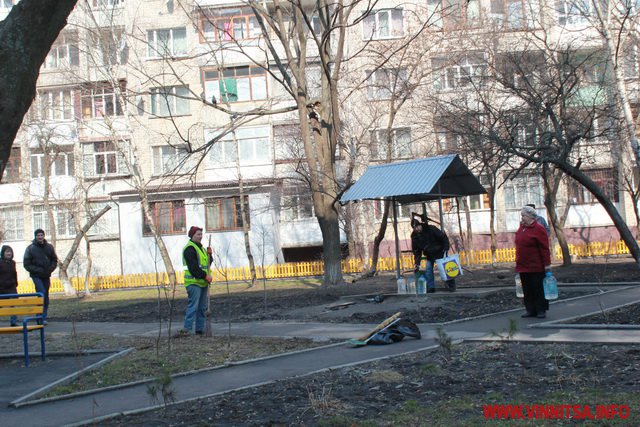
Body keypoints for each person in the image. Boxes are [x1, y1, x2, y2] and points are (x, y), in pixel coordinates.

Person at [515, 205, 552, 319]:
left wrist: (547, 265)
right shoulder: (521, 228)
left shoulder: (539, 229)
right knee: (527, 289)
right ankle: (530, 310)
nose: (522, 218)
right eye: (521, 216)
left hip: (536, 266)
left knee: (538, 288)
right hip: (523, 266)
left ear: (531, 216)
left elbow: (544, 248)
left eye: (524, 216)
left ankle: (541, 310)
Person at [180, 226, 213, 336]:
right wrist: (205, 276)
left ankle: (199, 329)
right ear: (192, 235)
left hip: (203, 282)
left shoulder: (201, 248)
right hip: (193, 282)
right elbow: (193, 268)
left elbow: (207, 264)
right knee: (193, 306)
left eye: (201, 234)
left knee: (202, 308)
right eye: (198, 234)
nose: (200, 236)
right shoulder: (190, 249)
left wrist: (210, 255)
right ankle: (187, 329)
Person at [412, 216, 455, 293]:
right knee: (428, 270)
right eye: (414, 228)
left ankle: (451, 286)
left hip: (439, 252)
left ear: (420, 225)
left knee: (445, 268)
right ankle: (431, 288)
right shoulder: (415, 237)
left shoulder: (430, 229)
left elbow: (443, 237)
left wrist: (446, 248)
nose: (416, 229)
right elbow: (417, 251)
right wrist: (417, 263)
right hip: (429, 254)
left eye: (417, 227)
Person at [24, 229, 58, 322]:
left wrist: (50, 269)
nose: (40, 237)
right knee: (41, 293)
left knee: (45, 295)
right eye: (38, 235)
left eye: (41, 235)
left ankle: (43, 317)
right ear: (35, 236)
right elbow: (26, 264)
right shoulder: (30, 248)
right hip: (36, 276)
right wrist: (37, 270)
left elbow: (54, 260)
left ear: (44, 236)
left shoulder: (49, 247)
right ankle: (39, 317)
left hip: (46, 275)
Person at [0, 245, 19, 326]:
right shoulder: (0, 262)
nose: (9, 253)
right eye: (7, 252)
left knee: (13, 304)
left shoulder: (13, 263)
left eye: (10, 252)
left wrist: (15, 282)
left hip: (12, 287)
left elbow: (14, 273)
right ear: (3, 253)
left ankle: (13, 322)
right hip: (1, 287)